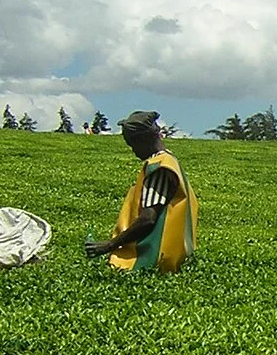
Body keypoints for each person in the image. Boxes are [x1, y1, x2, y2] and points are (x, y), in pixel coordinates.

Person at [84, 111, 197, 273]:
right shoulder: (171, 160)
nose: (133, 150)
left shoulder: (159, 167)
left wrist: (110, 245)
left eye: (132, 144)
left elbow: (148, 219)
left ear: (143, 140)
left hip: (155, 258)